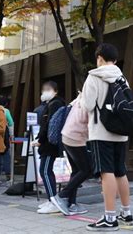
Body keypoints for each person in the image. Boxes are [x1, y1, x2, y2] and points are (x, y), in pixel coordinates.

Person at [81, 43, 133, 231]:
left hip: (101, 131)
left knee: (106, 172)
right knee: (120, 171)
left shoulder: (94, 76)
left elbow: (87, 105)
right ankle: (126, 212)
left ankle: (109, 218)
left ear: (99, 57)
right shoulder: (122, 78)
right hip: (121, 132)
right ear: (116, 60)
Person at [50, 93, 92, 216]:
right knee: (87, 170)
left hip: (66, 136)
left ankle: (71, 204)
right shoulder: (90, 99)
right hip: (75, 138)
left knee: (76, 171)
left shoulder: (78, 99)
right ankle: (62, 196)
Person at [33, 81, 65, 214]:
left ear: (55, 91)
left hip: (49, 144)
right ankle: (51, 199)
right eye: (43, 89)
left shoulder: (55, 104)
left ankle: (54, 201)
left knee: (45, 171)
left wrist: (40, 140)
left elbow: (49, 125)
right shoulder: (51, 104)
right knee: (46, 171)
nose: (45, 92)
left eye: (48, 89)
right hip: (49, 143)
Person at [0, 95, 14, 182]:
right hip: (4, 134)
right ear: (6, 104)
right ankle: (8, 173)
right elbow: (10, 123)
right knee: (6, 154)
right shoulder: (6, 111)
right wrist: (11, 136)